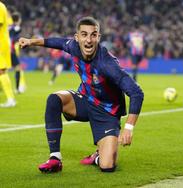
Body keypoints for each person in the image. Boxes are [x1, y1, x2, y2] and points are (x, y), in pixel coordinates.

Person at [19, 16, 144, 173]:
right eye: (84, 34)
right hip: (84, 100)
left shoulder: (107, 64)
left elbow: (136, 92)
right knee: (54, 99)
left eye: (93, 35)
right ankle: (55, 158)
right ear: (76, 38)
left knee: (108, 166)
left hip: (107, 112)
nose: (89, 40)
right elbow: (56, 42)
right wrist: (31, 42)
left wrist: (129, 128)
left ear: (98, 37)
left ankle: (98, 157)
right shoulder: (73, 46)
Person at [0, 1, 16, 107]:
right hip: (3, 42)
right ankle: (11, 99)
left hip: (1, 43)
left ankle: (10, 99)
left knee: (1, 71)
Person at [9, 11, 26, 93]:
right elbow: (12, 37)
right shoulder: (16, 28)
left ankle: (17, 88)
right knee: (18, 68)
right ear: (18, 19)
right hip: (10, 50)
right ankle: (17, 88)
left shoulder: (9, 27)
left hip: (7, 49)